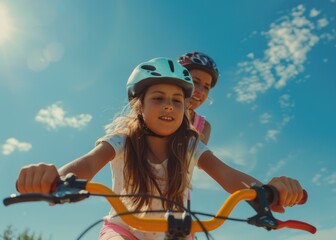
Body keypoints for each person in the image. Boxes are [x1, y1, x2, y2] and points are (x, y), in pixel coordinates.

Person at [15, 57, 305, 240]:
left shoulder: (190, 144)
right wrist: (53, 178)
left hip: (175, 231)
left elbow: (227, 175)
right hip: (124, 230)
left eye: (177, 100)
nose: (169, 104)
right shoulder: (122, 139)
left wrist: (266, 189)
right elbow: (89, 163)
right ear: (138, 106)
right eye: (158, 98)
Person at [177, 52, 219, 144]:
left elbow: (195, 156)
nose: (201, 91)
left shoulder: (204, 126)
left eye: (206, 87)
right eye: (195, 81)